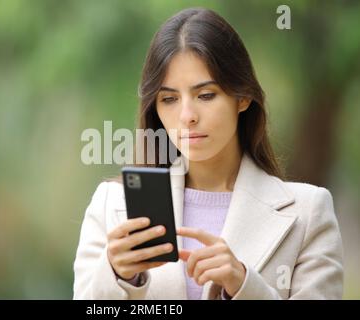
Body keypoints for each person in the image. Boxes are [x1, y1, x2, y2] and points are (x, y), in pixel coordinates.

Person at [73, 7, 343, 300]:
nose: (187, 116)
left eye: (205, 95)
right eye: (169, 99)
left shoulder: (308, 213)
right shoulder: (112, 206)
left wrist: (243, 285)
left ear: (243, 97)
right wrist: (117, 276)